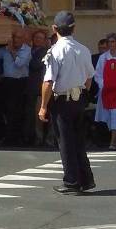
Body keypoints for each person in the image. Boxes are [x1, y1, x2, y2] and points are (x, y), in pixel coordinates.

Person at [38, 11, 95, 194]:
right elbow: (89, 79)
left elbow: (48, 81)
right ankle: (86, 179)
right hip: (79, 98)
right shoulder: (83, 49)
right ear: (74, 28)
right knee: (78, 140)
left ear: (54, 29)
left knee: (65, 142)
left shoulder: (55, 51)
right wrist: (82, 92)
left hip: (62, 99)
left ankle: (71, 180)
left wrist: (43, 106)